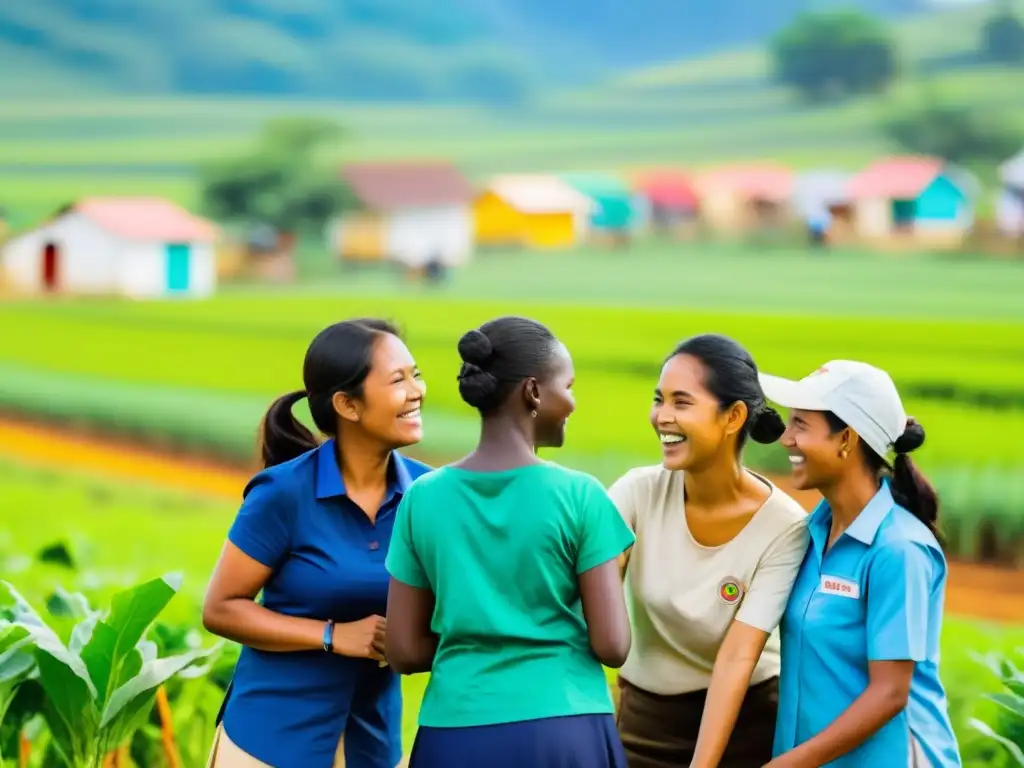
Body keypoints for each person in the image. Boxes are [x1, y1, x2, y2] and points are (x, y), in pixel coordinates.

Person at [384, 316, 636, 767]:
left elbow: (403, 650)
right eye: (569, 386)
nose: (573, 403)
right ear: (534, 392)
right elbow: (613, 645)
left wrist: (476, 638)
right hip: (565, 726)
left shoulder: (422, 498)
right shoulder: (580, 496)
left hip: (455, 731)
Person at [202, 318, 430, 768]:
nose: (417, 391)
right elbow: (221, 607)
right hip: (268, 743)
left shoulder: (430, 494)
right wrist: (332, 635)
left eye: (416, 374)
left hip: (372, 743)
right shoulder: (283, 494)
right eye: (397, 380)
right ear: (347, 404)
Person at [608, 333, 810, 768]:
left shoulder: (784, 526)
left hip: (748, 723)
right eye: (658, 399)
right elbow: (590, 597)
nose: (662, 416)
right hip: (642, 723)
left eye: (682, 403)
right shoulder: (635, 494)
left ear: (733, 416)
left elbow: (738, 657)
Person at [759, 360, 961, 768]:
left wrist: (789, 764)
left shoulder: (898, 549)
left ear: (846, 439)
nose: (786, 439)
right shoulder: (811, 532)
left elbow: (890, 694)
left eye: (801, 424)